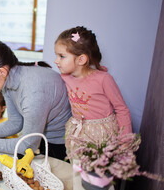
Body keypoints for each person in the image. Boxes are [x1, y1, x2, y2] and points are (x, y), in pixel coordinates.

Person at [0, 39, 72, 160]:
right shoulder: (7, 80)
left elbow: (28, 146)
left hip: (59, 143)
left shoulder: (32, 92)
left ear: (1, 71)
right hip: (41, 135)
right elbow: (15, 122)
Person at [54, 26, 132, 156]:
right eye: (56, 55)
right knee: (77, 170)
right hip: (77, 132)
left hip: (102, 135)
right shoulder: (65, 77)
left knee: (98, 172)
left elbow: (121, 109)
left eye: (62, 56)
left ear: (81, 59)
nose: (56, 61)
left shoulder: (104, 79)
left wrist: (125, 140)